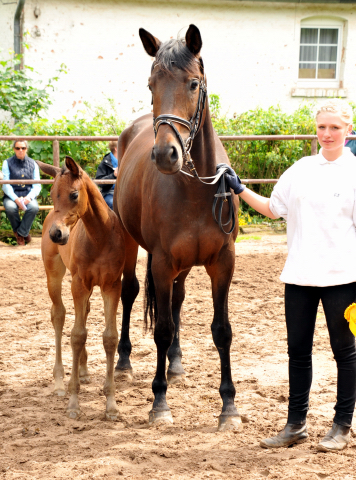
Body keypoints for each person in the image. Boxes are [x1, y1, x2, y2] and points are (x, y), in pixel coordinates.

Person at [222, 99, 356, 452]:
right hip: (299, 277)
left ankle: (342, 426)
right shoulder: (300, 169)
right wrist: (239, 188)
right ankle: (295, 424)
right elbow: (271, 208)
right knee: (297, 352)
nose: (327, 134)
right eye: (322, 127)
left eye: (335, 128)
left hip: (343, 279)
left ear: (348, 130)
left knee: (345, 352)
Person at [2, 140, 41, 246]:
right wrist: (15, 199)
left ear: (26, 149)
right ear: (14, 149)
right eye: (18, 148)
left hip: (28, 195)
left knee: (33, 208)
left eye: (23, 148)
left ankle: (20, 233)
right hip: (11, 196)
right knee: (10, 208)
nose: (20, 150)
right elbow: (5, 185)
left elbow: (37, 185)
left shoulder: (33, 164)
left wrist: (29, 198)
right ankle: (23, 235)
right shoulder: (7, 163)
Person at [95, 141, 118, 209]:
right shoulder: (105, 162)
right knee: (112, 203)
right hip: (110, 193)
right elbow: (99, 181)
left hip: (125, 192)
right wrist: (113, 175)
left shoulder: (126, 159)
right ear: (116, 148)